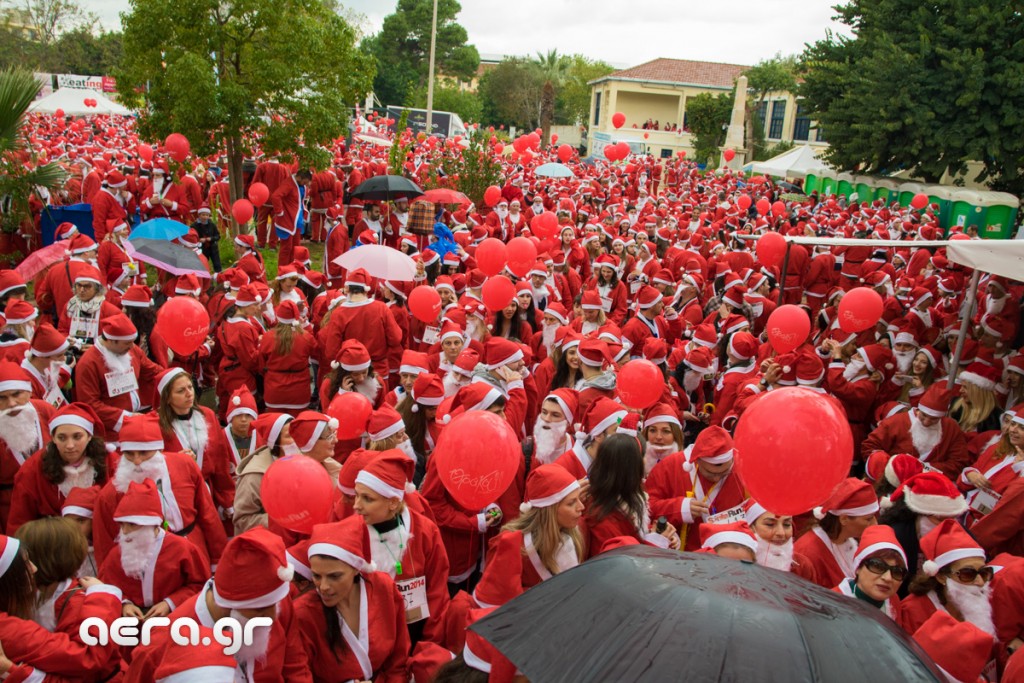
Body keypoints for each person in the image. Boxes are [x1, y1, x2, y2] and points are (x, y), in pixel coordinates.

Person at [125, 527, 313, 682]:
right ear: (228, 605)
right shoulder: (166, 640)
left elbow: (296, 667)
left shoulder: (276, 603)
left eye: (274, 604)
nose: (272, 617)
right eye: (259, 610)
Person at [94, 414, 227, 567]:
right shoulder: (110, 495)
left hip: (195, 550)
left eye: (144, 453)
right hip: (151, 564)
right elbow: (105, 546)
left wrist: (218, 560)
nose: (137, 461)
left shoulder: (184, 465)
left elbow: (208, 514)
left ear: (158, 449)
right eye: (129, 454)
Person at [349, 450, 449, 645]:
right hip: (370, 638)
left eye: (367, 498)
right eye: (357, 495)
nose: (356, 505)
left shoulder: (424, 531)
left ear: (393, 503)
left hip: (415, 633)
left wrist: (429, 645)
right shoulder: (351, 533)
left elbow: (437, 593)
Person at [294, 518, 410, 682]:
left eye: (335, 576)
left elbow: (398, 660)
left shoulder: (383, 589)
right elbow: (298, 675)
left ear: (356, 568)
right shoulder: (303, 613)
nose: (323, 586)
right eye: (316, 576)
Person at [0, 533, 124, 679]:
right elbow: (86, 655)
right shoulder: (9, 630)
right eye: (26, 563)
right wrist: (102, 596)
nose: (34, 568)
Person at [99, 479, 210, 621]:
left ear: (153, 524)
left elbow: (201, 586)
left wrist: (170, 603)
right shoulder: (116, 554)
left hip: (174, 621)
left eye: (132, 524)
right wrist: (124, 604)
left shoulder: (182, 549)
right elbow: (105, 587)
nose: (125, 531)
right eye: (122, 524)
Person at [7, 403, 107, 534]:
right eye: (62, 438)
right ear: (53, 438)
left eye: (77, 437)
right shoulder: (32, 469)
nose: (70, 445)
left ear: (89, 436)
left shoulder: (108, 460)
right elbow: (19, 522)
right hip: (53, 540)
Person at [646, 426, 747, 551]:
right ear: (696, 460)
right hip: (679, 554)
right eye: (710, 473)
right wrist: (679, 508)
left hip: (729, 554)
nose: (716, 478)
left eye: (724, 473)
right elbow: (646, 508)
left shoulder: (744, 470)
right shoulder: (670, 466)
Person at [581, 433, 679, 558]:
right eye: (643, 456)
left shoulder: (627, 498)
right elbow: (622, 563)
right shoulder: (602, 518)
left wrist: (657, 532)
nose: (646, 461)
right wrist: (656, 542)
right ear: (632, 467)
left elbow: (635, 530)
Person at [899, 519, 995, 635]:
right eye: (967, 574)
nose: (980, 582)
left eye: (984, 573)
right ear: (941, 576)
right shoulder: (914, 611)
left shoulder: (984, 604)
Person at [879, 471, 969, 595]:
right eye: (939, 519)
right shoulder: (896, 537)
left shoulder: (961, 533)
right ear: (919, 514)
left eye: (953, 518)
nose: (947, 525)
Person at [73, 314, 163, 436]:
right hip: (109, 431)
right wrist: (126, 417)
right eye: (127, 343)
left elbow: (153, 371)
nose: (132, 346)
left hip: (137, 418)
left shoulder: (132, 350)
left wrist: (177, 377)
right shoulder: (88, 363)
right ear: (111, 340)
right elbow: (90, 404)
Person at [862, 384, 970, 479]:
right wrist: (892, 467)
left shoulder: (951, 428)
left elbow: (959, 462)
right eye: (923, 415)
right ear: (918, 409)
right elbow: (870, 447)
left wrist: (924, 468)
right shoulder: (895, 422)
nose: (927, 422)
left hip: (927, 485)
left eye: (934, 419)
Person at [793, 477, 879, 589]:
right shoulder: (808, 552)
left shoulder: (850, 539)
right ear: (844, 519)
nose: (875, 524)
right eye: (868, 519)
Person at [0, 361, 56, 530]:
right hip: (11, 511)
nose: (11, 403)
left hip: (53, 504)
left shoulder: (45, 410)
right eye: (2, 398)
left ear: (28, 391)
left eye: (16, 394)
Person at [322, 268, 403, 383]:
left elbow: (331, 351)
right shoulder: (381, 308)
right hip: (378, 371)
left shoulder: (339, 313)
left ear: (347, 288)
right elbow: (396, 338)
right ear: (366, 289)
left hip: (351, 373)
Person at [234, 412, 296, 533]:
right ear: (276, 442)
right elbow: (242, 519)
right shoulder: (254, 476)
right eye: (289, 435)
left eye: (297, 433)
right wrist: (284, 520)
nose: (297, 440)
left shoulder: (302, 461)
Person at [834, 524, 907, 621]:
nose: (888, 578)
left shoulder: (892, 601)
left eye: (897, 572)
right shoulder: (832, 604)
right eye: (877, 566)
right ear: (858, 568)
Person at [259, 300, 318, 414]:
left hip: (274, 390)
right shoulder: (305, 337)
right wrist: (306, 328)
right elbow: (316, 353)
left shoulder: (268, 337)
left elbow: (260, 364)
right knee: (298, 424)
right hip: (299, 391)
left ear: (278, 317)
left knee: (275, 424)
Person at [745, 501, 817, 582]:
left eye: (787, 524)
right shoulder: (739, 563)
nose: (781, 533)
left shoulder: (802, 565)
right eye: (770, 524)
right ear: (750, 527)